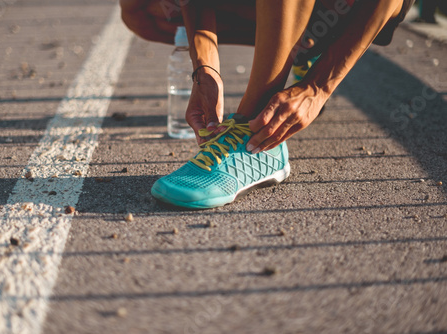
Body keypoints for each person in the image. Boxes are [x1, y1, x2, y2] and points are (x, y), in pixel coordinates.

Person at [120, 0, 414, 209]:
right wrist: (204, 67)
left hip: (355, 9)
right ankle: (302, 47)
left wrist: (318, 85)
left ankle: (255, 136)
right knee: (141, 8)